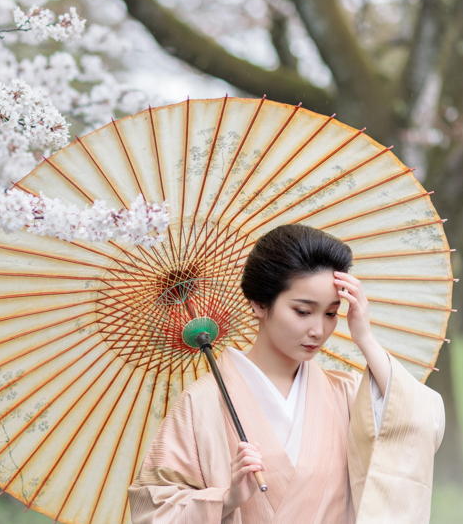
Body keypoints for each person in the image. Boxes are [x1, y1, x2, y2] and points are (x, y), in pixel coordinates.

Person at [127, 224, 445, 524]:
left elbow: (417, 426)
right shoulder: (202, 402)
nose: (319, 330)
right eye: (303, 311)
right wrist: (226, 499)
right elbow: (155, 508)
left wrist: (366, 340)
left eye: (332, 313)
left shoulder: (346, 393)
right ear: (260, 304)